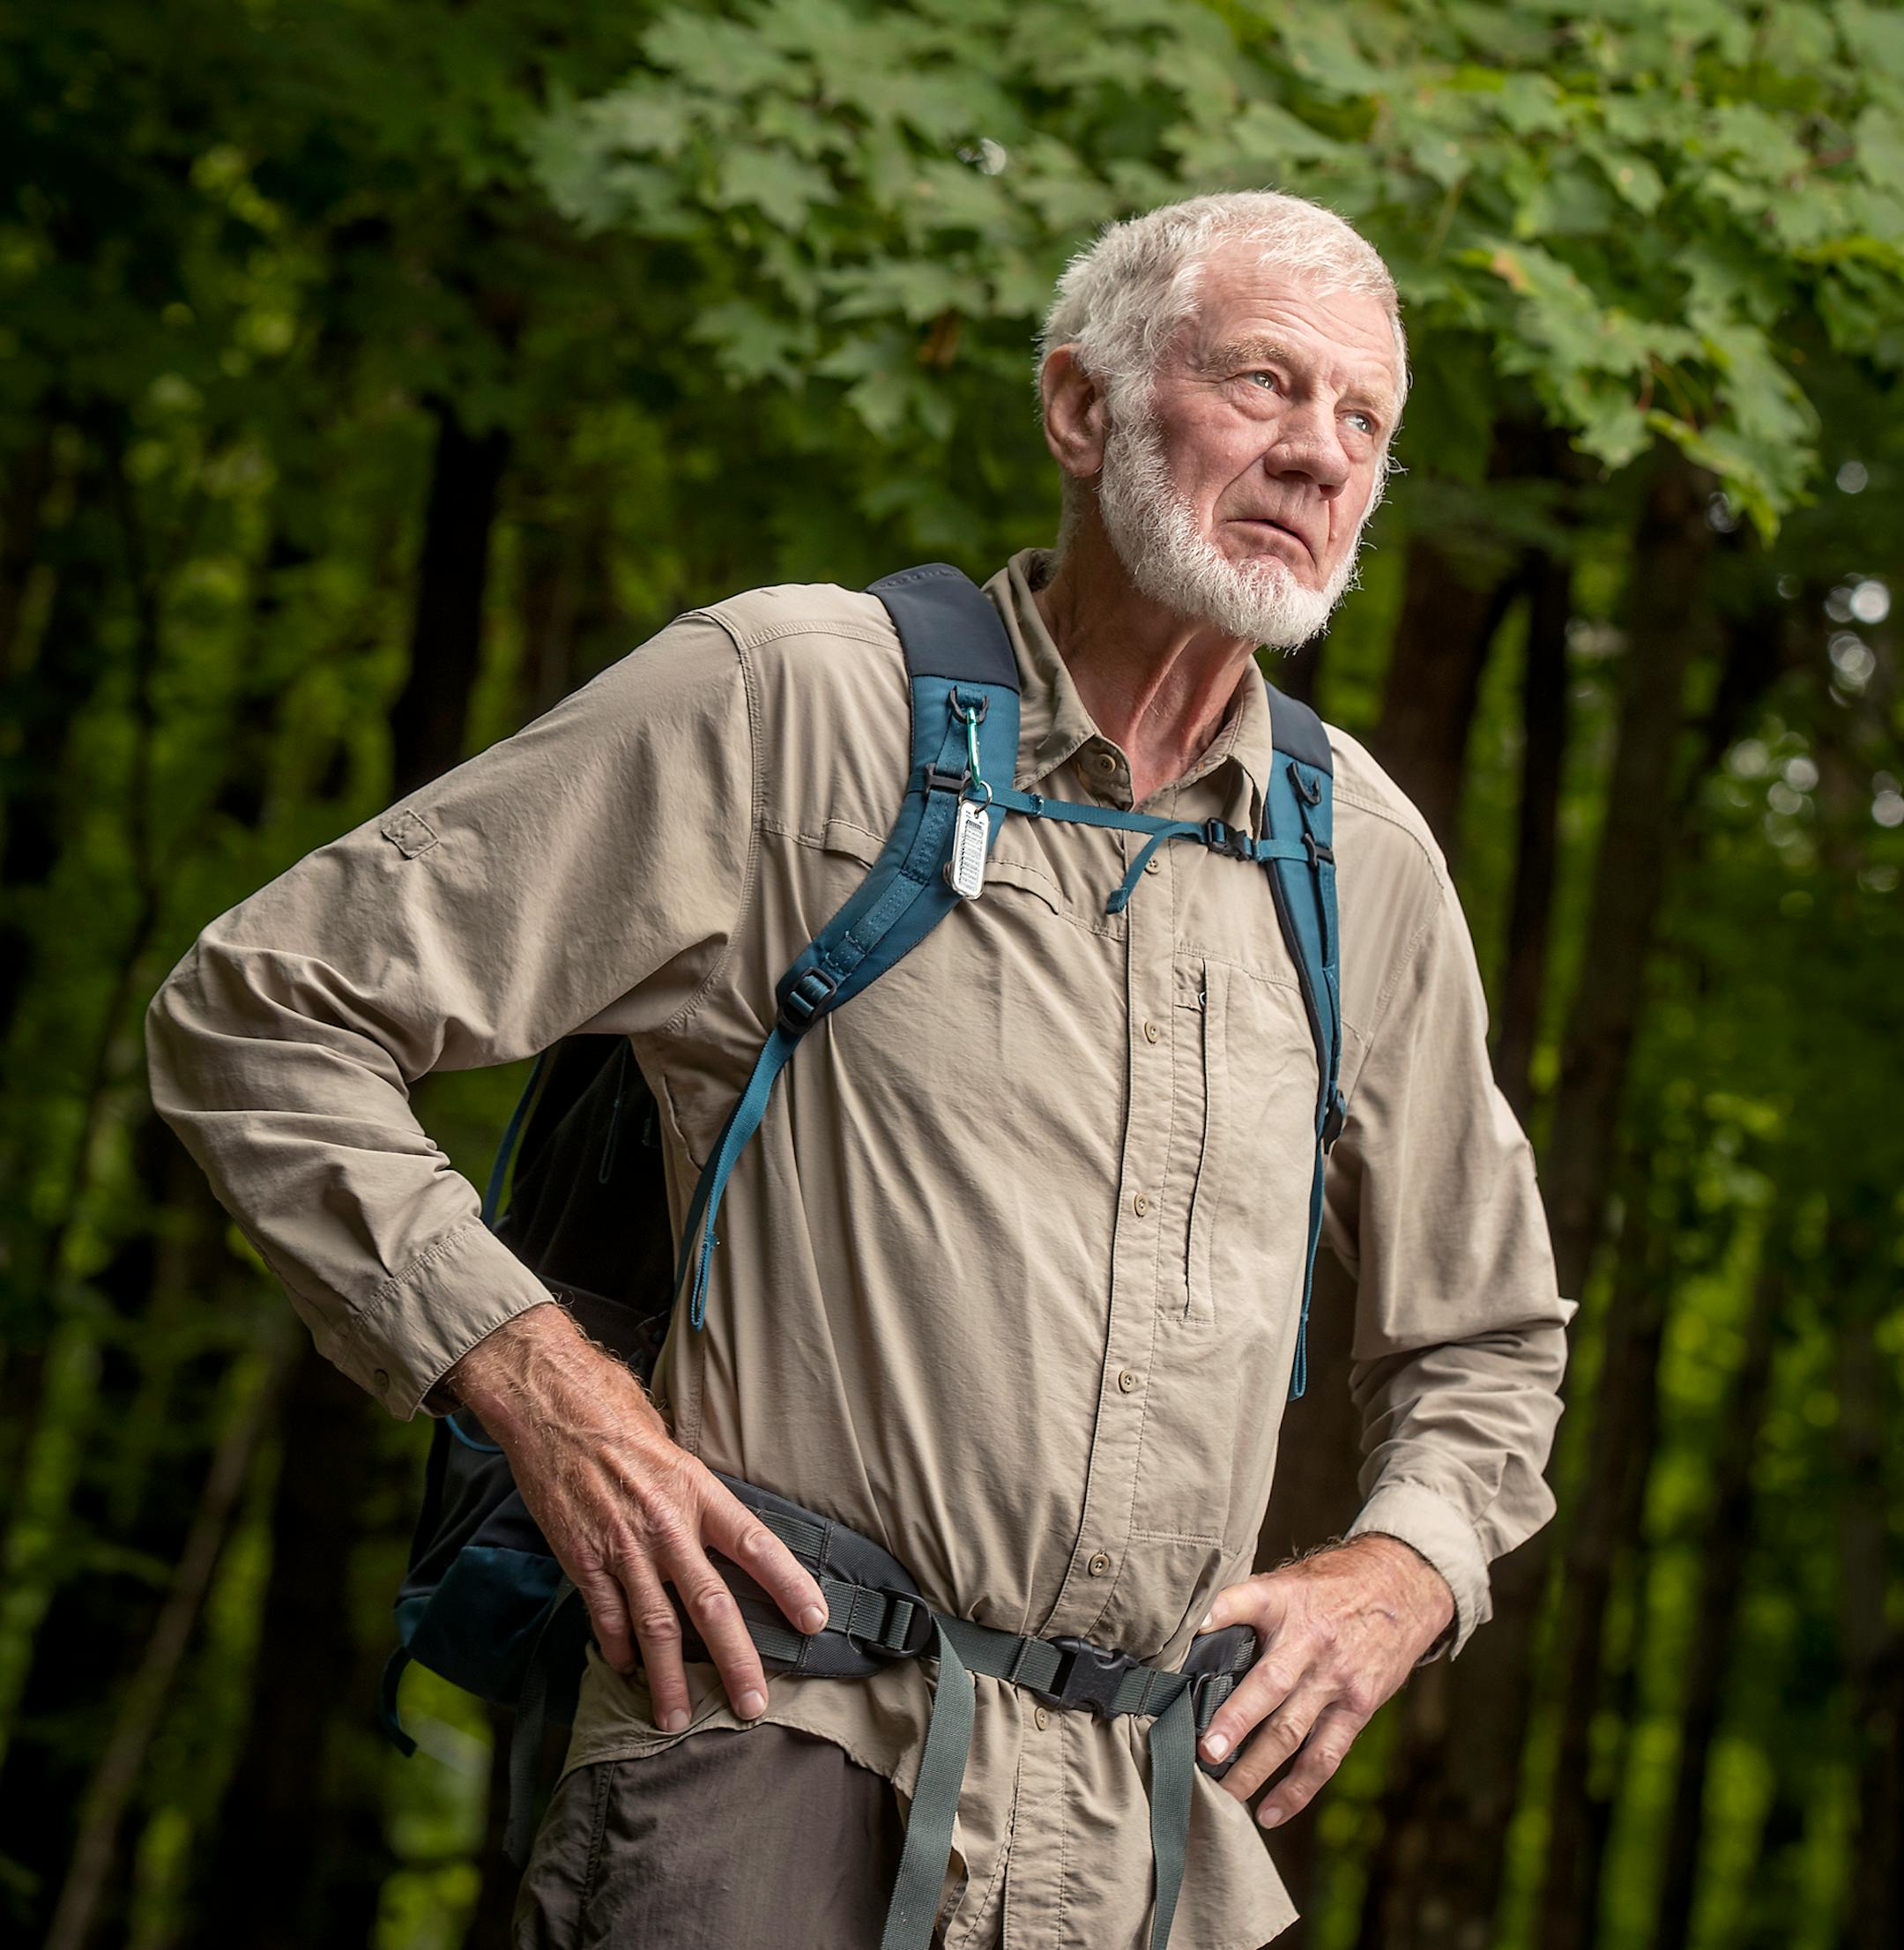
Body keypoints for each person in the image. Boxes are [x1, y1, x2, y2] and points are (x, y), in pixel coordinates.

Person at [145, 190, 1575, 1950]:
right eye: (1265, 382)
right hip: (767, 1777)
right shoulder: (794, 703)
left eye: (1364, 423)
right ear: (1081, 408)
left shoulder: (1358, 855)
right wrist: (542, 1386)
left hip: (1153, 1844)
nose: (1317, 455)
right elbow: (262, 1009)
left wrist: (1408, 1563)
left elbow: (1490, 1336)